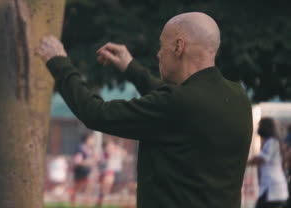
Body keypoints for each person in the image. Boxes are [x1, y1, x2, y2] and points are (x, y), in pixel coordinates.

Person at [35, 12, 253, 208]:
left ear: (179, 46)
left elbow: (96, 113)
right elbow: (176, 100)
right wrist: (130, 67)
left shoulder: (178, 104)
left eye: (162, 45)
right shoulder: (238, 97)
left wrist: (59, 63)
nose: (158, 54)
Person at [248, 117, 288, 208]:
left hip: (272, 188)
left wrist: (245, 164)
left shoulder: (271, 142)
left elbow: (261, 159)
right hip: (276, 189)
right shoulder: (273, 142)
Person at [69, 132, 99, 205]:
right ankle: (73, 204)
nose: (93, 141)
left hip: (88, 172)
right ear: (87, 139)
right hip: (80, 172)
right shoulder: (80, 148)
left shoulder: (91, 149)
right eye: (92, 139)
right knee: (77, 189)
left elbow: (95, 161)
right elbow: (77, 161)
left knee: (89, 190)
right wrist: (90, 161)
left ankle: (87, 204)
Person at [97, 139, 126, 206]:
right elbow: (100, 161)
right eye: (110, 145)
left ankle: (105, 202)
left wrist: (118, 148)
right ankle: (101, 203)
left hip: (115, 171)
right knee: (105, 189)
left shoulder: (117, 151)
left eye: (112, 145)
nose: (111, 146)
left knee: (114, 189)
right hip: (107, 172)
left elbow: (124, 154)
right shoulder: (104, 153)